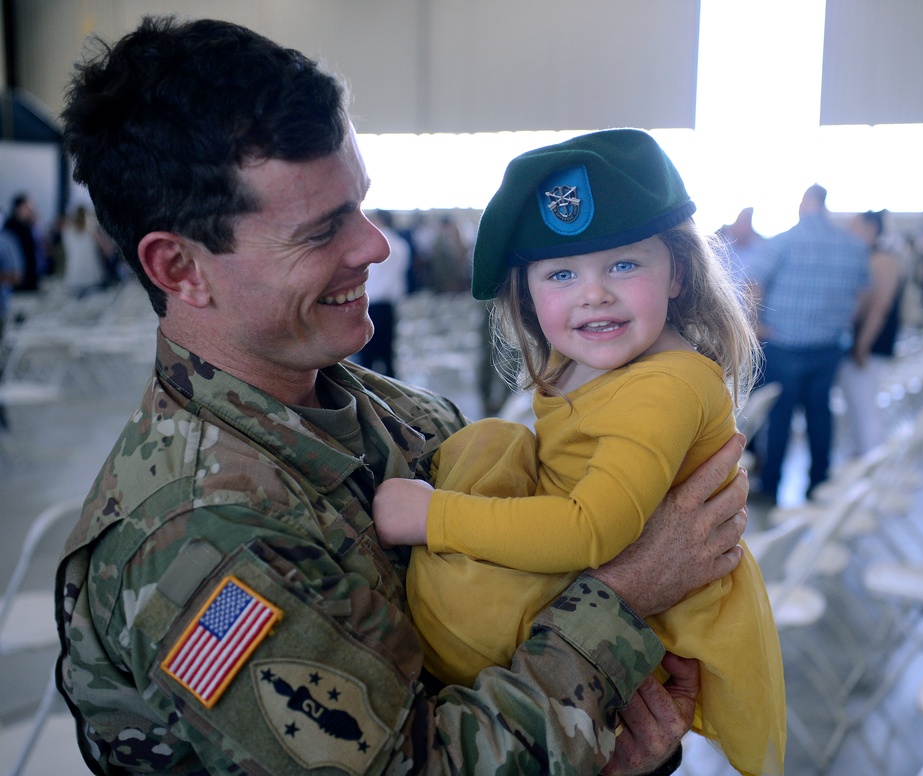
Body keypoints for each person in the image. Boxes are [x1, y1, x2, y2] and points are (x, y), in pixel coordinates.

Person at [55, 16, 750, 776]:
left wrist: (626, 741)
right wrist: (625, 600)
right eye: (321, 232)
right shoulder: (196, 536)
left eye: (360, 205)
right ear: (181, 269)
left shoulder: (392, 413)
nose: (375, 246)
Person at [373, 130, 785, 776]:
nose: (593, 293)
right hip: (595, 574)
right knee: (494, 442)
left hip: (645, 604)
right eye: (561, 273)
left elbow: (590, 529)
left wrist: (434, 517)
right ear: (529, 297)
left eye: (623, 264)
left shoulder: (666, 385)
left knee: (459, 589)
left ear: (676, 271)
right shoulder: (588, 364)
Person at [747, 184, 869, 504]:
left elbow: (752, 284)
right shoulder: (852, 246)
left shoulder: (785, 241)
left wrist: (755, 325)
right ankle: (818, 485)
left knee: (780, 418)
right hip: (829, 347)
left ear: (806, 203)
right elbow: (862, 294)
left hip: (784, 343)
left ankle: (771, 486)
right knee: (820, 415)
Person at [837, 210, 904, 457]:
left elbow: (879, 308)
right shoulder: (868, 257)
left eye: (855, 226)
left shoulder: (882, 260)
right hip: (859, 343)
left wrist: (862, 345)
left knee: (865, 408)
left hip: (870, 346)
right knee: (855, 408)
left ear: (871, 228)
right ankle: (862, 460)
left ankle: (870, 464)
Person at [356, 210, 411, 377]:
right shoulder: (401, 244)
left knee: (367, 357)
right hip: (389, 305)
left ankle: (368, 396)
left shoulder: (371, 245)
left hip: (371, 304)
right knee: (387, 354)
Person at [60, 203, 110, 297]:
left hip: (73, 281)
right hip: (93, 281)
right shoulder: (92, 227)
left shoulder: (66, 231)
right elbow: (107, 251)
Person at [4, 193, 48, 292]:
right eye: (27, 206)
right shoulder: (10, 228)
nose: (31, 209)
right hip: (16, 281)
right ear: (19, 208)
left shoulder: (28, 226)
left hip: (29, 279)